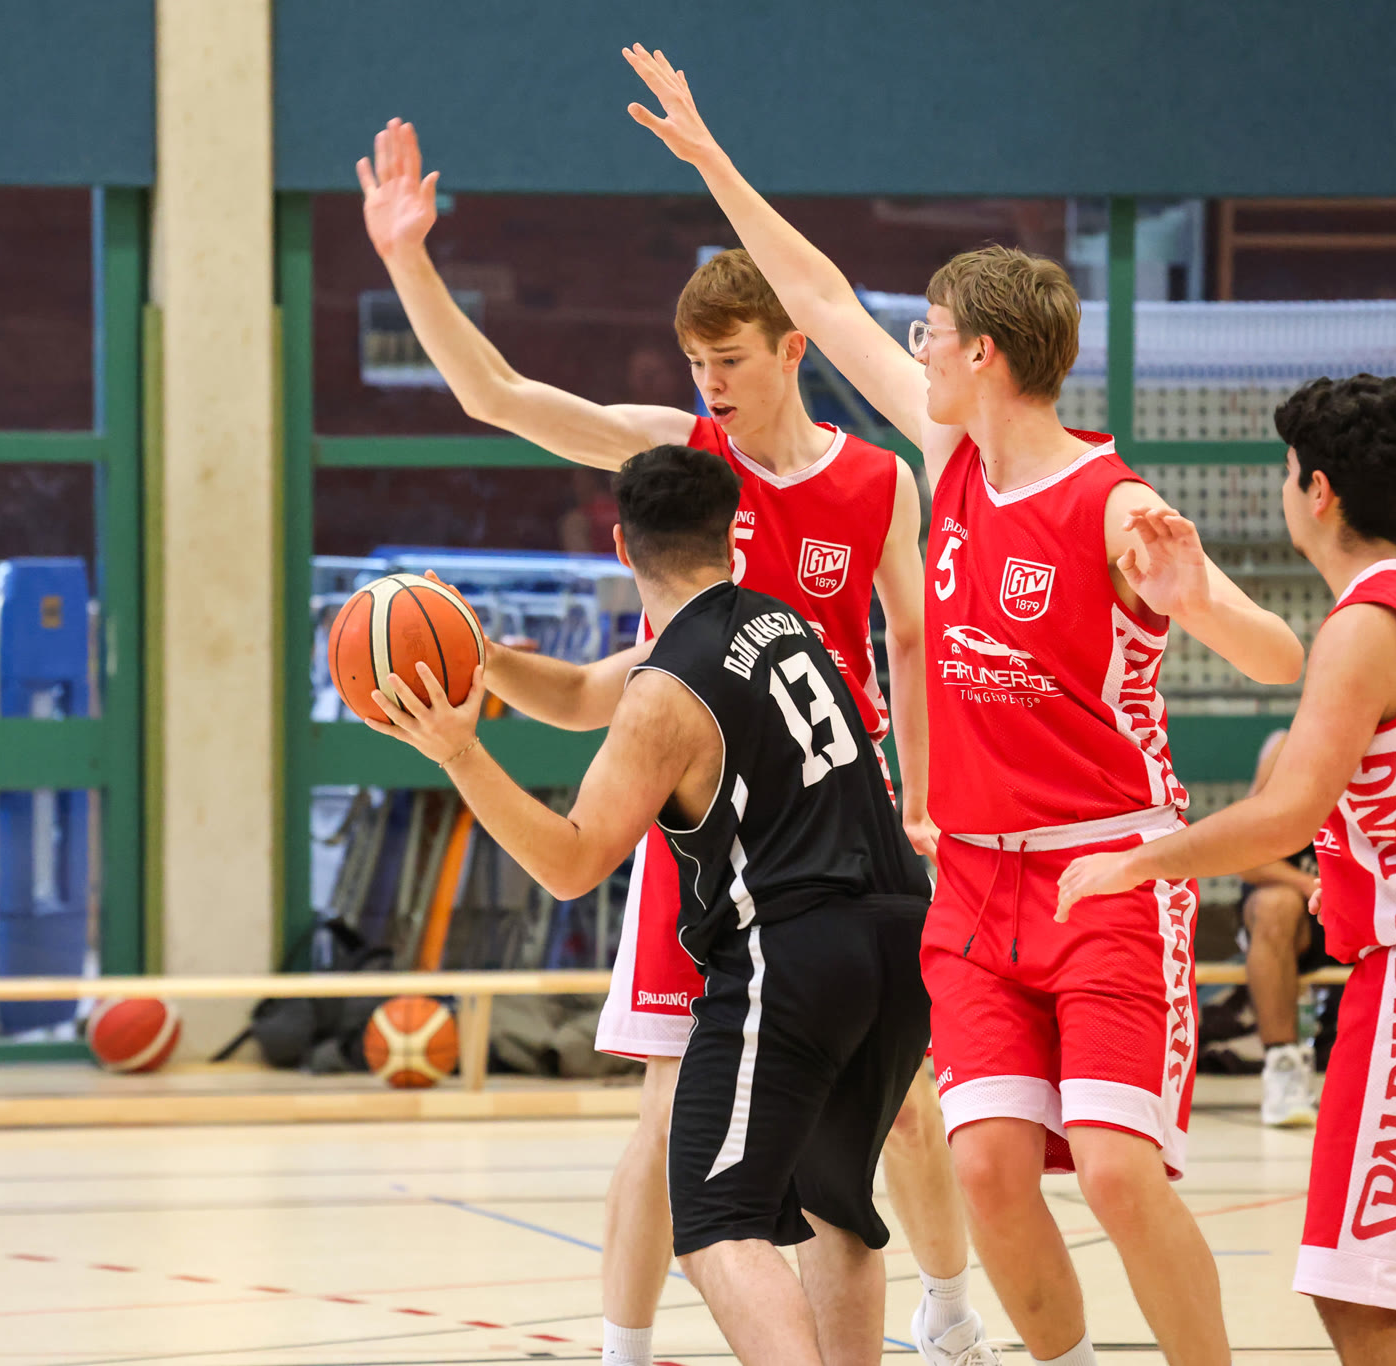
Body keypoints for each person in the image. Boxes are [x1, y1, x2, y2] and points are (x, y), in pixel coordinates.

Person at [621, 45, 1304, 1366]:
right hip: (979, 885)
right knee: (986, 1167)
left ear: (980, 352)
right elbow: (817, 293)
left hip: (1106, 872)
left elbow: (1279, 655)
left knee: (1113, 1170)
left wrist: (1199, 601)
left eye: (928, 333)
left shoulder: (1110, 501)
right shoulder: (949, 457)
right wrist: (713, 162)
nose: (910, 348)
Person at [355, 121, 994, 1366]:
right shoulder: (678, 458)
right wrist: (407, 260)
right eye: (695, 361)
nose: (710, 383)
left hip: (836, 811)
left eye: (729, 360)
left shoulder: (876, 481)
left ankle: (950, 1309)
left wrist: (918, 796)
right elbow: (499, 396)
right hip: (704, 820)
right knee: (665, 1116)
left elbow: (911, 646)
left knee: (902, 1111)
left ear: (791, 349)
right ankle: (623, 1346)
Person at [1058, 375, 1396, 1364]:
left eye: (1285, 470)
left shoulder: (1364, 622)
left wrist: (1138, 860)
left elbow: (1284, 814)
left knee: (1359, 1300)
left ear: (1317, 490)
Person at [368, 445, 936, 1366]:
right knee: (836, 1209)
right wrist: (483, 656)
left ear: (621, 546)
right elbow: (587, 690)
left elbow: (572, 863)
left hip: (795, 957)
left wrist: (460, 754)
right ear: (731, 536)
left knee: (715, 1223)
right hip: (899, 939)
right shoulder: (784, 625)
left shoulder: (668, 692)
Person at [1237, 728, 1333, 1127]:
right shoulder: (1289, 751)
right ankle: (1282, 1066)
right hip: (1299, 907)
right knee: (1275, 905)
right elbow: (1245, 857)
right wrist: (1312, 885)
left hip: (1368, 904)